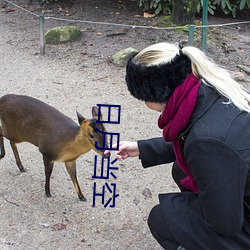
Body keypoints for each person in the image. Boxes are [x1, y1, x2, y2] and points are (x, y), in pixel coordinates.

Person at [105, 42, 250, 250]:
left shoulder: (207, 142)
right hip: (241, 186)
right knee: (181, 170)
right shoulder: (208, 88)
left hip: (241, 223)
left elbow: (225, 224)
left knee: (162, 218)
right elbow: (192, 139)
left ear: (155, 94)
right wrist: (141, 148)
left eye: (143, 98)